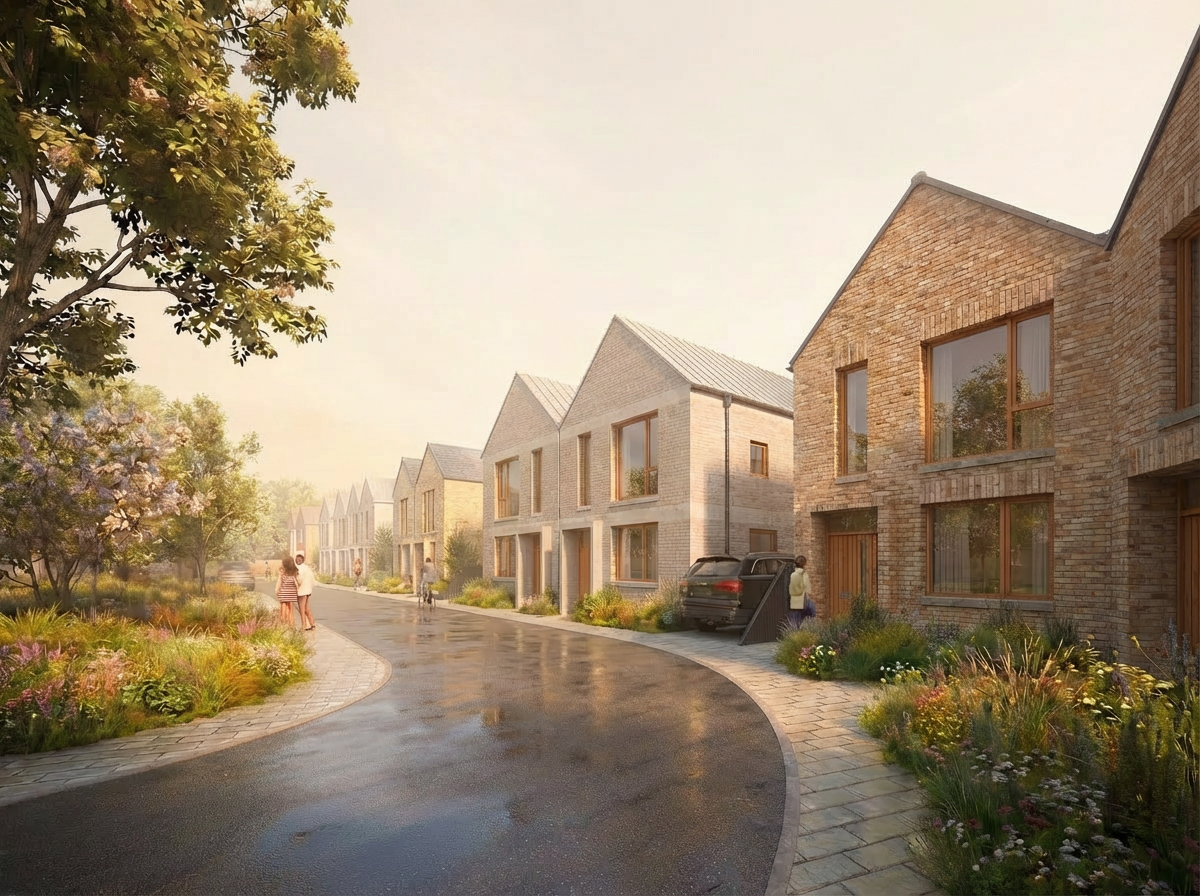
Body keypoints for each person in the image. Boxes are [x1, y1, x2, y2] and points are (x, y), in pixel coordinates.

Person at [788, 555, 813, 628]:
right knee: (812, 614)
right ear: (804, 564)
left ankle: (794, 636)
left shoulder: (792, 575)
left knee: (795, 623)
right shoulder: (804, 574)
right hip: (802, 601)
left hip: (794, 602)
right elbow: (808, 589)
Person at [275, 556, 300, 627]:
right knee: (290, 608)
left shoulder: (282, 572)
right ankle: (291, 623)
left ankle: (283, 622)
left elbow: (279, 582)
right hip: (291, 594)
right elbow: (297, 582)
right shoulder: (294, 572)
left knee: (283, 607)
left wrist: (276, 590)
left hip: (283, 593)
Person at [296, 550, 316, 632]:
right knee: (306, 607)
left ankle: (304, 625)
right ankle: (312, 623)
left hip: (302, 591)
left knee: (301, 608)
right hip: (308, 590)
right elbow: (313, 580)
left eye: (300, 558)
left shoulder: (299, 568)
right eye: (298, 557)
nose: (298, 559)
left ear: (302, 559)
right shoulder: (307, 568)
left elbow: (299, 580)